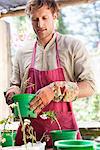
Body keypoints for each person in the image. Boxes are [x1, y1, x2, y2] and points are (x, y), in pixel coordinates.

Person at [5, 0, 95, 148]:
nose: (40, 24)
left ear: (55, 16)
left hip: (63, 134)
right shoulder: (22, 52)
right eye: (35, 19)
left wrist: (54, 90)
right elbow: (15, 84)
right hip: (30, 136)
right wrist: (12, 92)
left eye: (44, 18)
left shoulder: (72, 46)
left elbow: (90, 86)